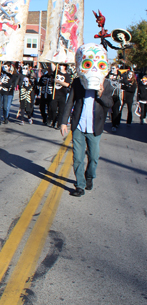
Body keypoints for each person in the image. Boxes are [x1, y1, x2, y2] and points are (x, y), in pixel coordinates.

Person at [60, 43, 113, 197]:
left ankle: (90, 176)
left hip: (94, 127)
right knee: (77, 157)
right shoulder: (78, 82)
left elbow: (109, 104)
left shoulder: (106, 83)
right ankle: (80, 185)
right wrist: (64, 122)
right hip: (78, 126)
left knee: (94, 157)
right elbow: (70, 102)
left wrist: (101, 94)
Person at [49, 64, 71, 129]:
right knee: (53, 109)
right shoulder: (57, 72)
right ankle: (54, 120)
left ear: (65, 67)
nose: (60, 66)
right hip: (55, 94)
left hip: (62, 95)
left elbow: (67, 84)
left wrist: (58, 81)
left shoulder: (67, 75)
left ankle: (59, 124)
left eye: (62, 65)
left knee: (61, 111)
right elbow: (53, 66)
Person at [107, 64, 123, 131]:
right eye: (112, 68)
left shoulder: (120, 76)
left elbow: (122, 86)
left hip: (117, 95)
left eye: (114, 68)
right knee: (112, 111)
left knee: (116, 110)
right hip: (111, 96)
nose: (112, 69)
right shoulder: (109, 75)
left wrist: (122, 98)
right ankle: (113, 123)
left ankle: (115, 124)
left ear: (117, 68)